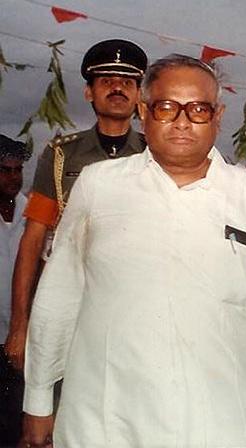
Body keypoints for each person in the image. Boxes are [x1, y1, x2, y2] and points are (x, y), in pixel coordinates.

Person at [22, 54, 246, 447]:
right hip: (105, 422)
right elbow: (60, 295)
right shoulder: (98, 185)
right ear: (143, 111)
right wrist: (38, 398)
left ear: (218, 116)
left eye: (198, 109)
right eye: (167, 107)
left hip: (222, 423)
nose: (182, 121)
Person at [4, 39, 148, 372]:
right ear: (89, 92)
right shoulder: (60, 155)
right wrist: (19, 326)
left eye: (127, 82)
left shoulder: (153, 155)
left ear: (139, 95)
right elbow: (32, 241)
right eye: (106, 81)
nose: (117, 88)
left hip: (136, 309)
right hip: (69, 304)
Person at [0, 135, 30, 446]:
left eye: (17, 170)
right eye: (5, 170)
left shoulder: (31, 214)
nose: (13, 177)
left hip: (21, 342)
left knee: (19, 425)